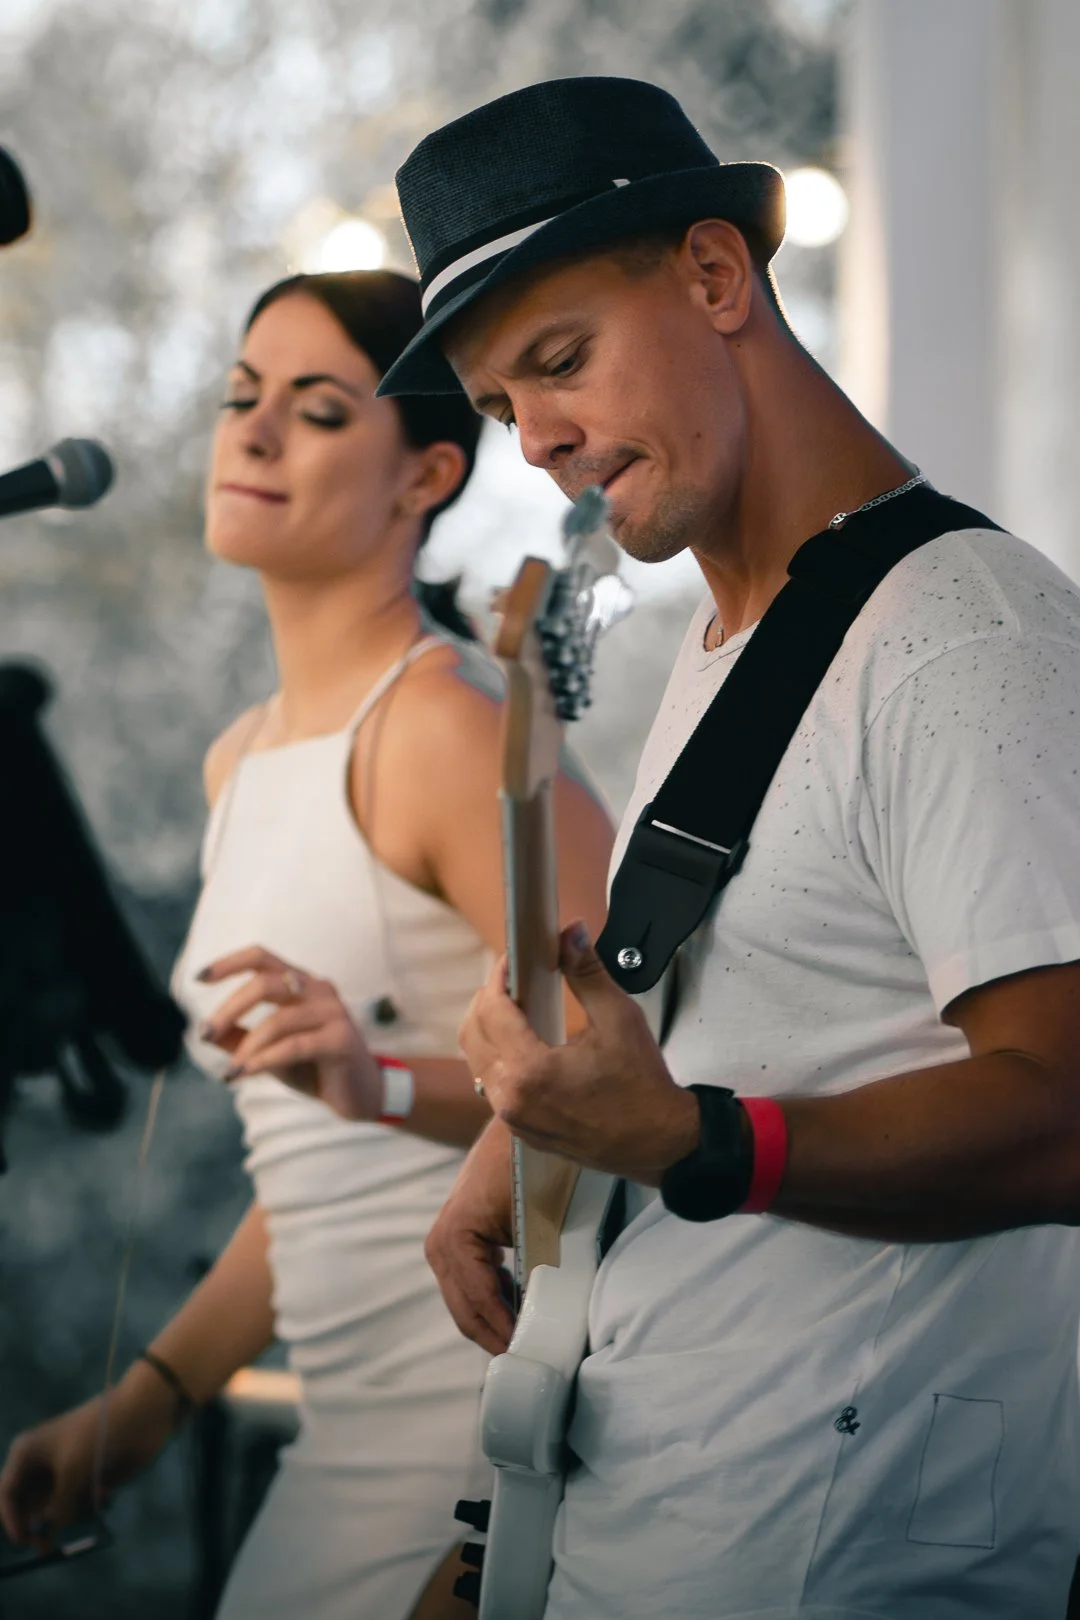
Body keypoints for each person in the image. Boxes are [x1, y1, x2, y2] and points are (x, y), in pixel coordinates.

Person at [377, 77, 1080, 1619]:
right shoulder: (735, 641)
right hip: (661, 1517)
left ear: (714, 274)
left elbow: (1066, 1114)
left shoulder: (963, 634)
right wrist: (532, 1139)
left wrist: (696, 1141)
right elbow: (768, 1010)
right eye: (503, 409)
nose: (542, 445)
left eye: (561, 364)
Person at [0, 268, 613, 1620]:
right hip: (335, 1443)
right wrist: (148, 1404)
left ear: (426, 474)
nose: (254, 434)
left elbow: (626, 1094)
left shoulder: (454, 729)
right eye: (239, 397)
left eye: (319, 410)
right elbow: (317, 1177)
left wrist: (380, 1082)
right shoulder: (246, 761)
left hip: (491, 1442)